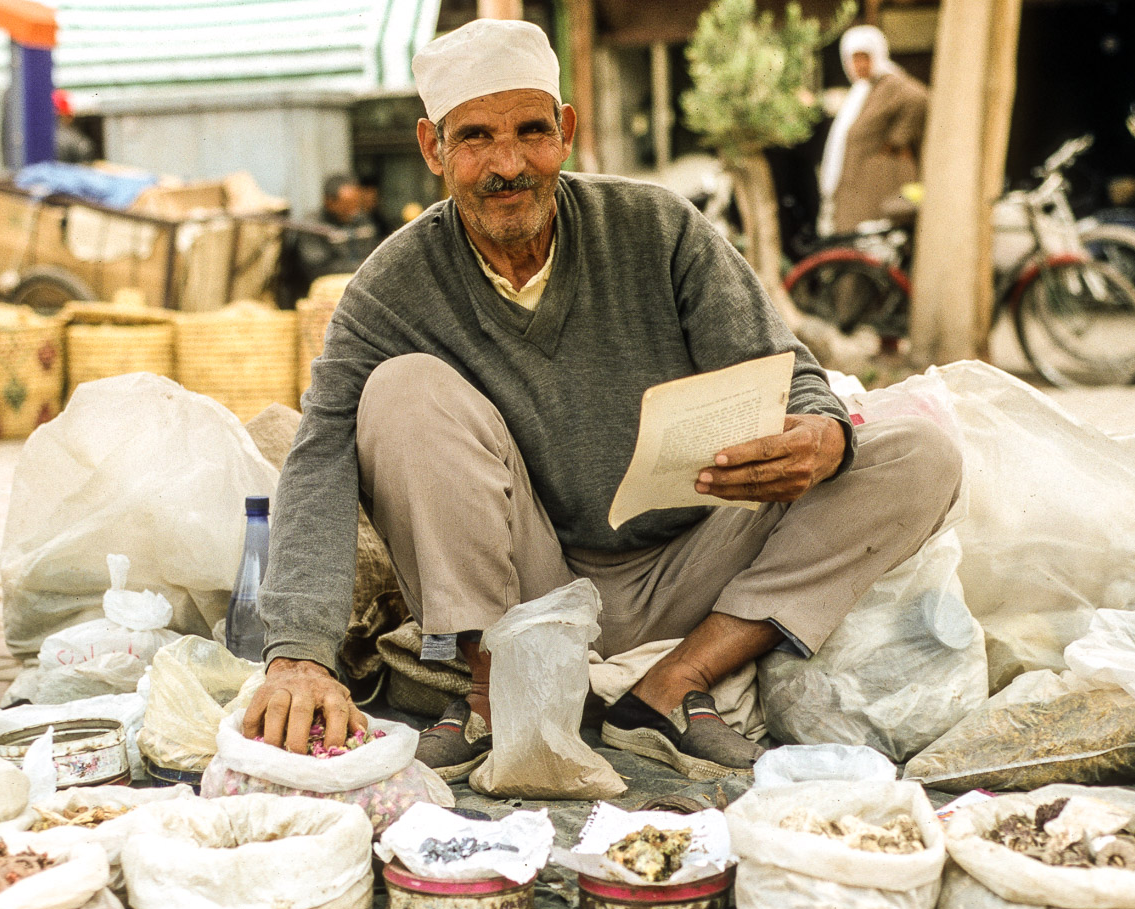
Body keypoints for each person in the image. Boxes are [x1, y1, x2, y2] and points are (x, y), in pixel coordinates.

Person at [243, 18, 961, 781]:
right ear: (433, 150)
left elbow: (788, 372)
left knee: (918, 452)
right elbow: (318, 453)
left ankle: (674, 681)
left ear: (567, 132)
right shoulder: (393, 284)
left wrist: (821, 435)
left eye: (531, 130)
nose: (508, 164)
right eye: (477, 137)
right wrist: (298, 655)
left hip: (697, 565)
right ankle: (495, 692)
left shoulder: (658, 229)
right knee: (401, 392)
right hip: (529, 587)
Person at [818, 25, 928, 237]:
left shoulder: (890, 83)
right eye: (853, 59)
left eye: (864, 58)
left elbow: (919, 99)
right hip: (857, 186)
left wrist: (896, 141)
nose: (859, 65)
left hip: (879, 186)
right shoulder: (861, 90)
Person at [292, 172, 385, 291]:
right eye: (347, 204)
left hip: (362, 287)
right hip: (325, 292)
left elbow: (374, 251)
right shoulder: (312, 227)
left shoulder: (363, 221)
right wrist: (363, 266)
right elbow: (319, 268)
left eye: (357, 203)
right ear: (329, 202)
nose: (354, 210)